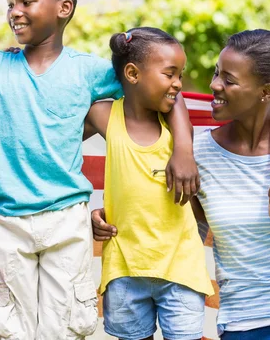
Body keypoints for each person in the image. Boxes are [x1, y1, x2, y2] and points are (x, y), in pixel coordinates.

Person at [0, 0, 198, 339]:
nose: (14, 11)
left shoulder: (90, 71)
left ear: (63, 8)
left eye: (26, 1)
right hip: (5, 219)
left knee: (65, 328)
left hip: (67, 218)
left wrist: (183, 150)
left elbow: (163, 87)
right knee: (8, 327)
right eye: (10, 3)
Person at [93, 29, 270, 340]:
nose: (214, 85)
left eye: (229, 80)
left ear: (266, 90)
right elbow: (185, 224)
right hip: (245, 321)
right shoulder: (193, 153)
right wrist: (114, 216)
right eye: (217, 73)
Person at [84, 27, 213, 340]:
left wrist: (183, 148)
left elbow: (177, 99)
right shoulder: (103, 116)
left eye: (180, 75)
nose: (178, 84)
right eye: (170, 74)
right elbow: (56, 152)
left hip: (180, 266)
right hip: (126, 267)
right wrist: (88, 214)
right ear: (132, 73)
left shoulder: (174, 123)